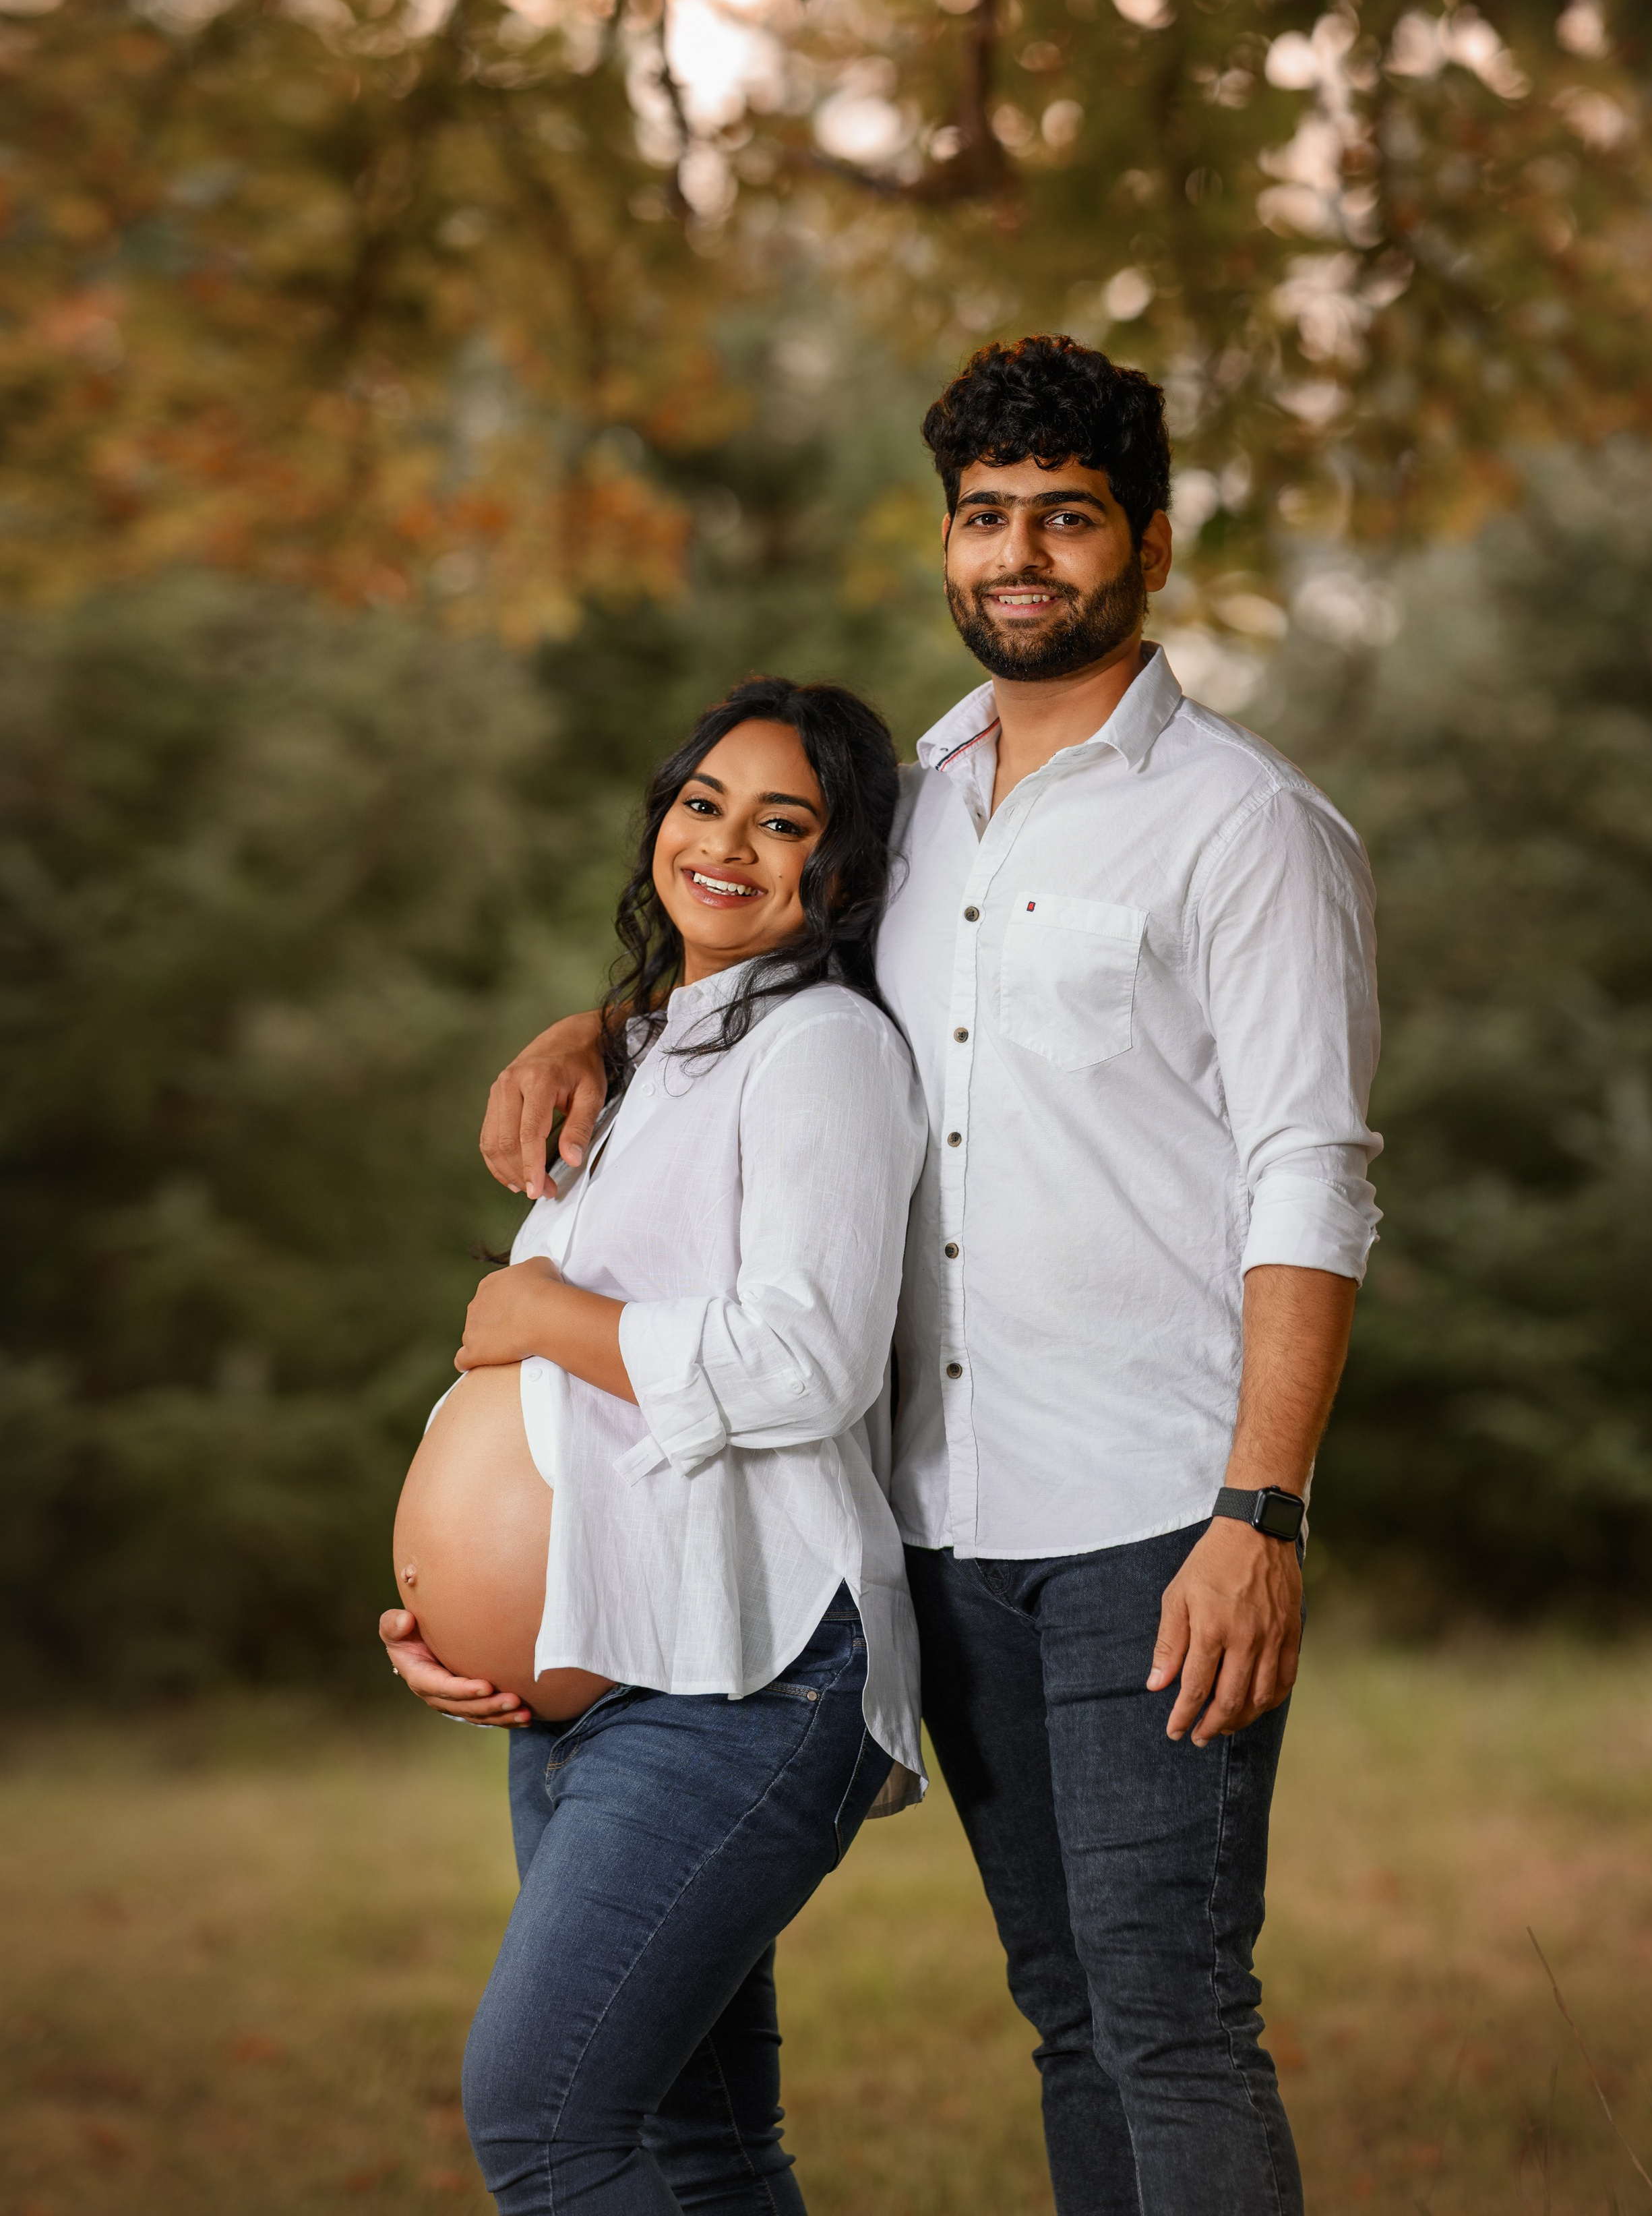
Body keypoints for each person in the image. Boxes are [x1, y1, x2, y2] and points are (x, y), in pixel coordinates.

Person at [459, 335, 1382, 2216]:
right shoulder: (920, 801)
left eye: (1066, 516)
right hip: (941, 1524)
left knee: (1173, 2016)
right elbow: (757, 949)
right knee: (1064, 2014)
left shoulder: (1246, 827)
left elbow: (1313, 1174)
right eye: (987, 517)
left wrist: (1260, 1513)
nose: (1020, 553)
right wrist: (599, 1023)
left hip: (1155, 1520)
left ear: (1155, 542)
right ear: (947, 542)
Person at [382, 674, 925, 2215]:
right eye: (703, 804)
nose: (729, 846)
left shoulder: (821, 1048)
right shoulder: (657, 1053)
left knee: (546, 2129)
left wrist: (543, 1311)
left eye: (784, 824)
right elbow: (567, 1424)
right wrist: (453, 1610)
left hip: (746, 1673)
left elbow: (803, 1359)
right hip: (596, 1672)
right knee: (703, 2150)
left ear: (841, 870)